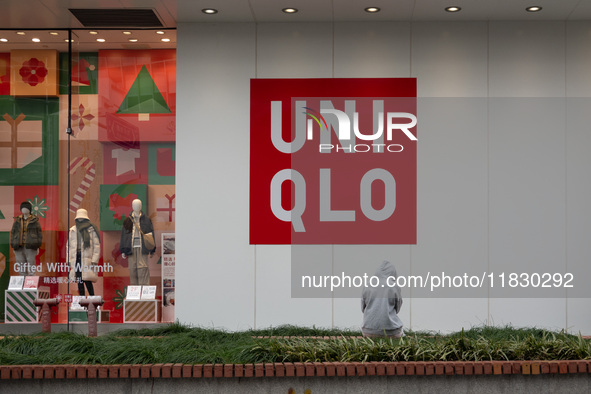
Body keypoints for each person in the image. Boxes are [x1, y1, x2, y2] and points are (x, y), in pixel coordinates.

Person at [361, 260, 404, 339]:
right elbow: (397, 309)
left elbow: (363, 308)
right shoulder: (395, 286)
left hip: (368, 331)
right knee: (399, 332)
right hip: (391, 331)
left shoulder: (367, 285)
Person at [120, 199, 155, 286]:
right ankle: (134, 292)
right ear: (132, 206)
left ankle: (144, 292)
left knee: (143, 269)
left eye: (138, 205)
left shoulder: (147, 220)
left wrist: (152, 249)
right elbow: (124, 236)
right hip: (131, 248)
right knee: (132, 269)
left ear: (141, 206)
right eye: (135, 205)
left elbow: (151, 235)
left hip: (142, 248)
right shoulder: (127, 221)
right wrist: (123, 250)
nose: (137, 207)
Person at [68, 209, 100, 296]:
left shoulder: (91, 229)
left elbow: (96, 245)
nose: (80, 219)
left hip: (86, 257)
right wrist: (69, 260)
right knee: (79, 280)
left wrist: (94, 259)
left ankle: (92, 298)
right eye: (79, 217)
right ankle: (81, 299)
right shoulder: (73, 230)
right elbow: (69, 246)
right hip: (76, 257)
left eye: (82, 217)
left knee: (87, 279)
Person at [10, 201, 42, 276]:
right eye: (23, 208)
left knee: (31, 267)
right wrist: (13, 245)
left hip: (31, 246)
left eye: (26, 208)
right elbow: (13, 233)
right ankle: (22, 284)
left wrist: (37, 247)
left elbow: (39, 235)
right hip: (18, 247)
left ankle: (31, 285)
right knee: (21, 267)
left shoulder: (35, 221)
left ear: (29, 210)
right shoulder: (17, 221)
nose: (24, 210)